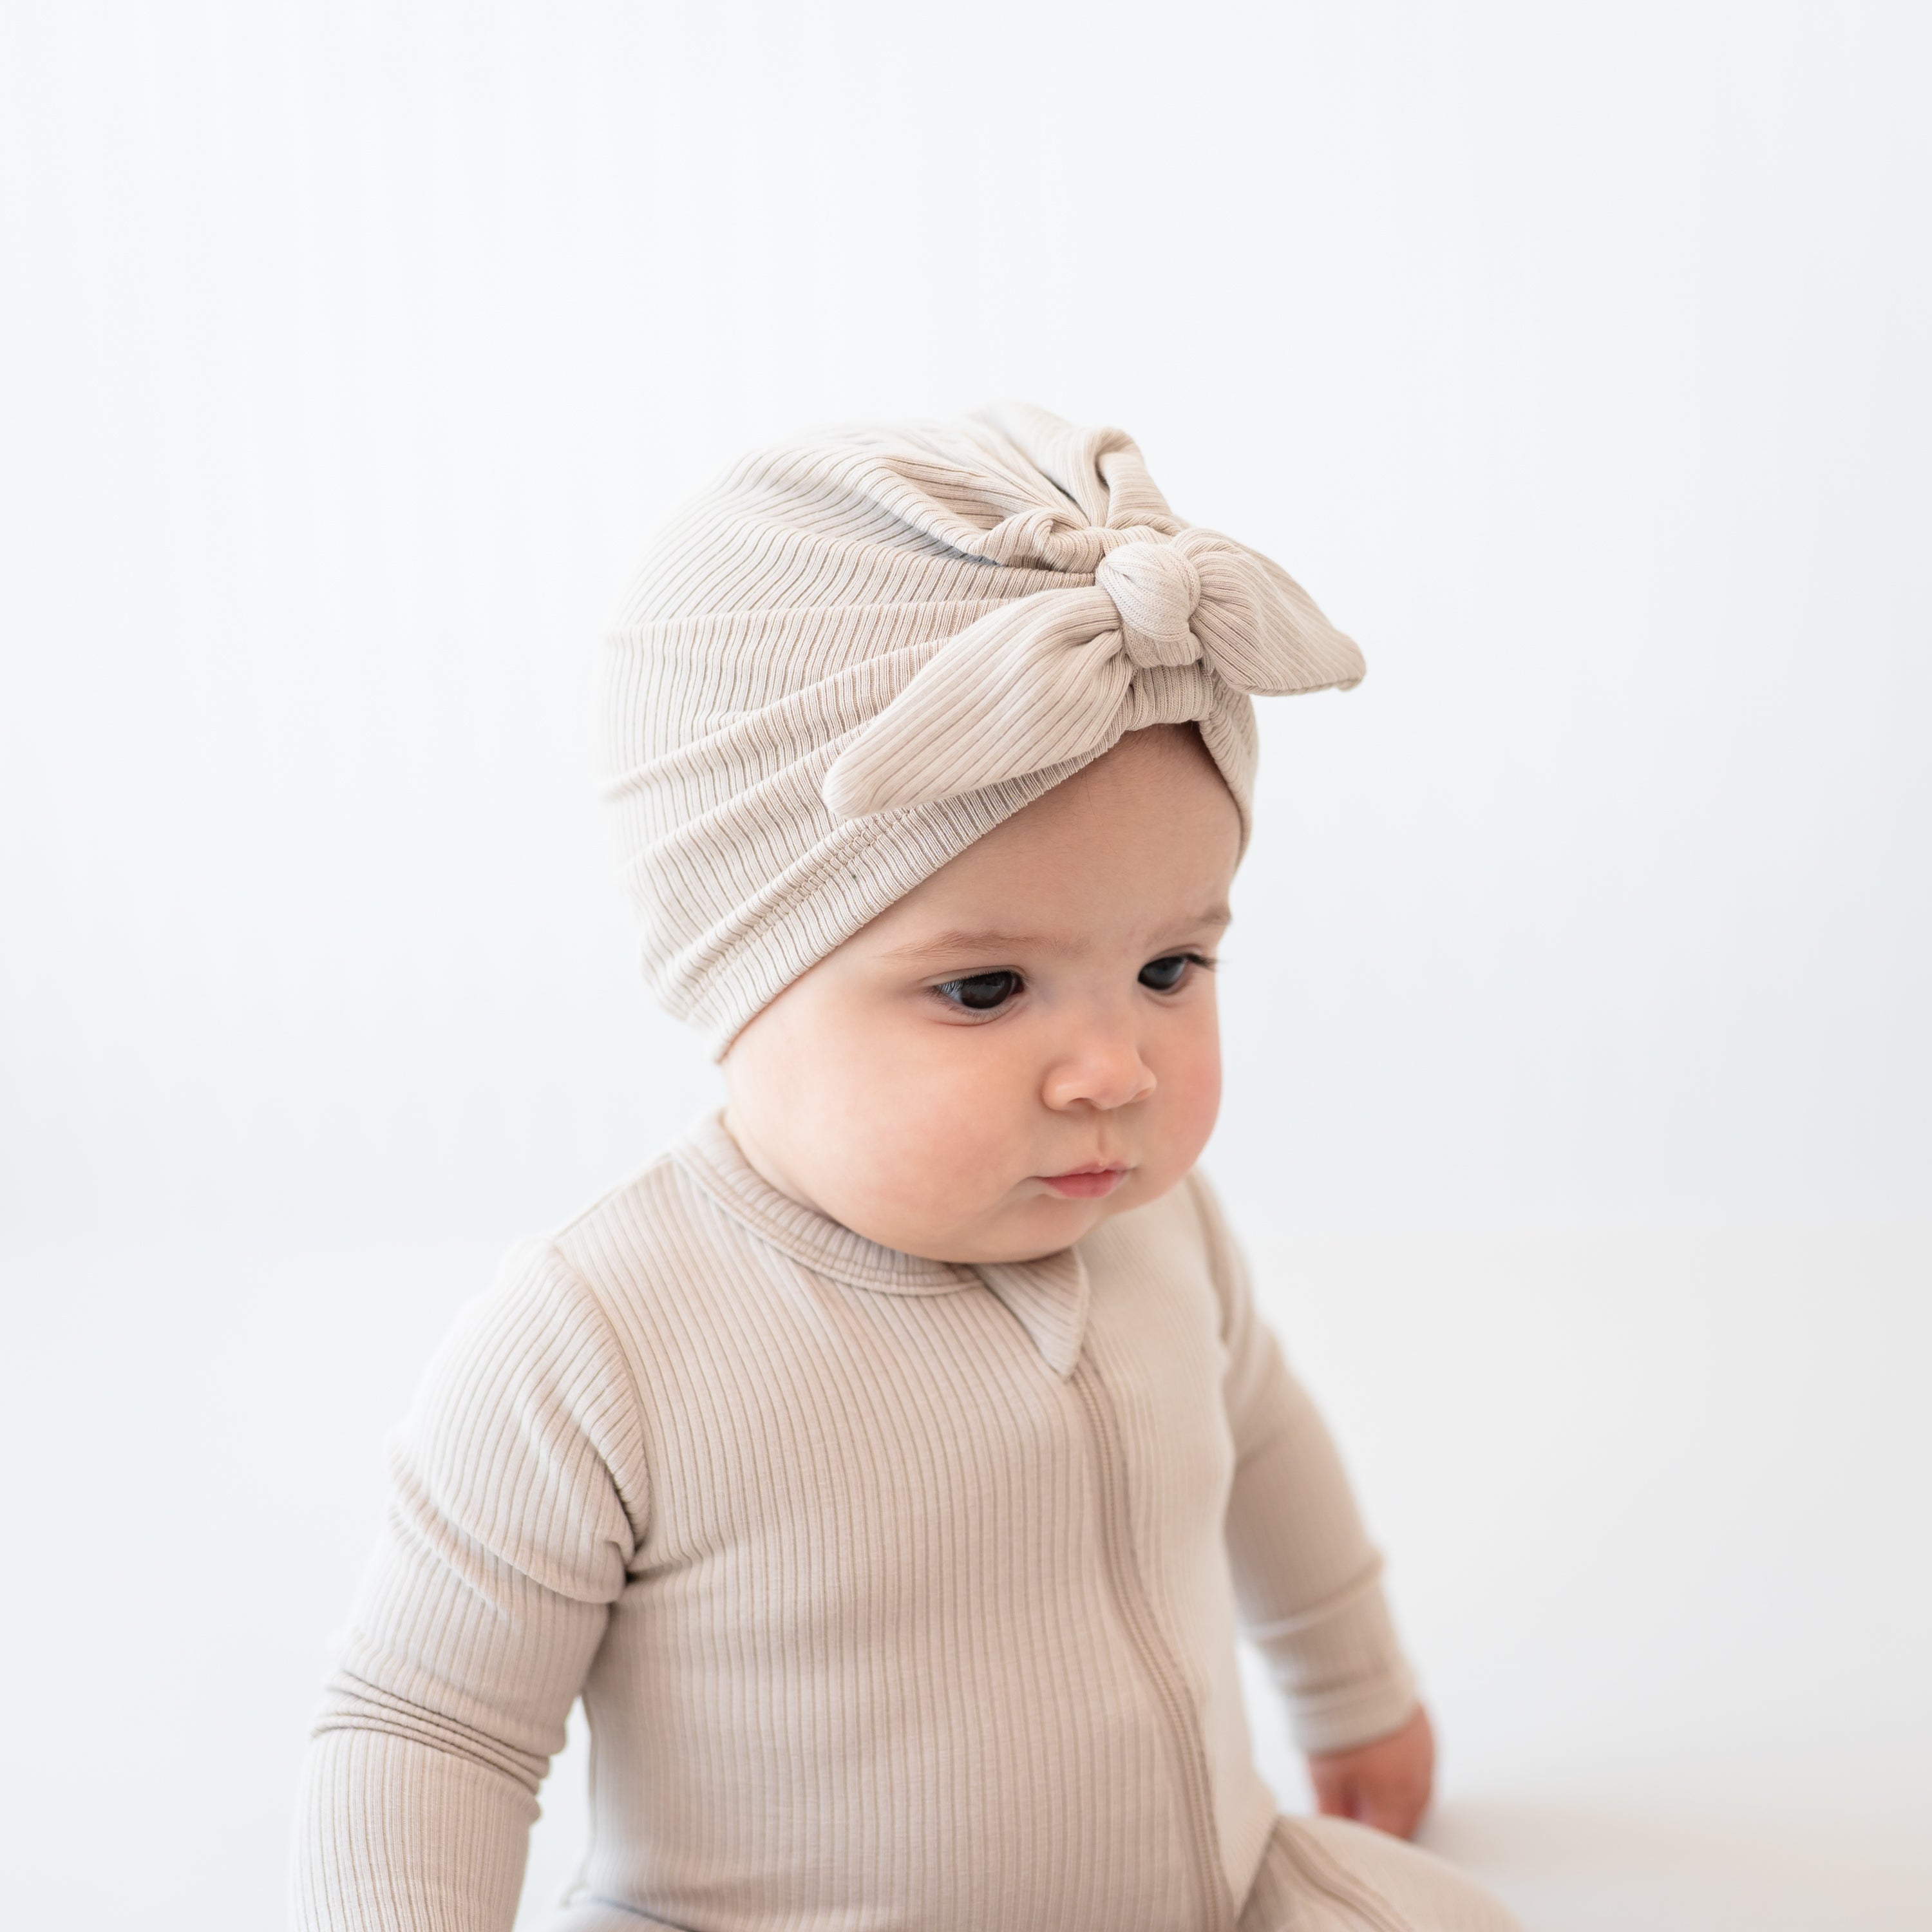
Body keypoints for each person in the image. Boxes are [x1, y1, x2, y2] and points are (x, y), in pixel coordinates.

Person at [290, 404, 1520, 1932]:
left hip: (1213, 1885)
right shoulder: (605, 1342)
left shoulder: (1165, 1230)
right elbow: (430, 1729)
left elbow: (1262, 1450)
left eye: (1170, 966)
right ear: (739, 977)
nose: (1114, 1070)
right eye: (988, 990)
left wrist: (1354, 1691)